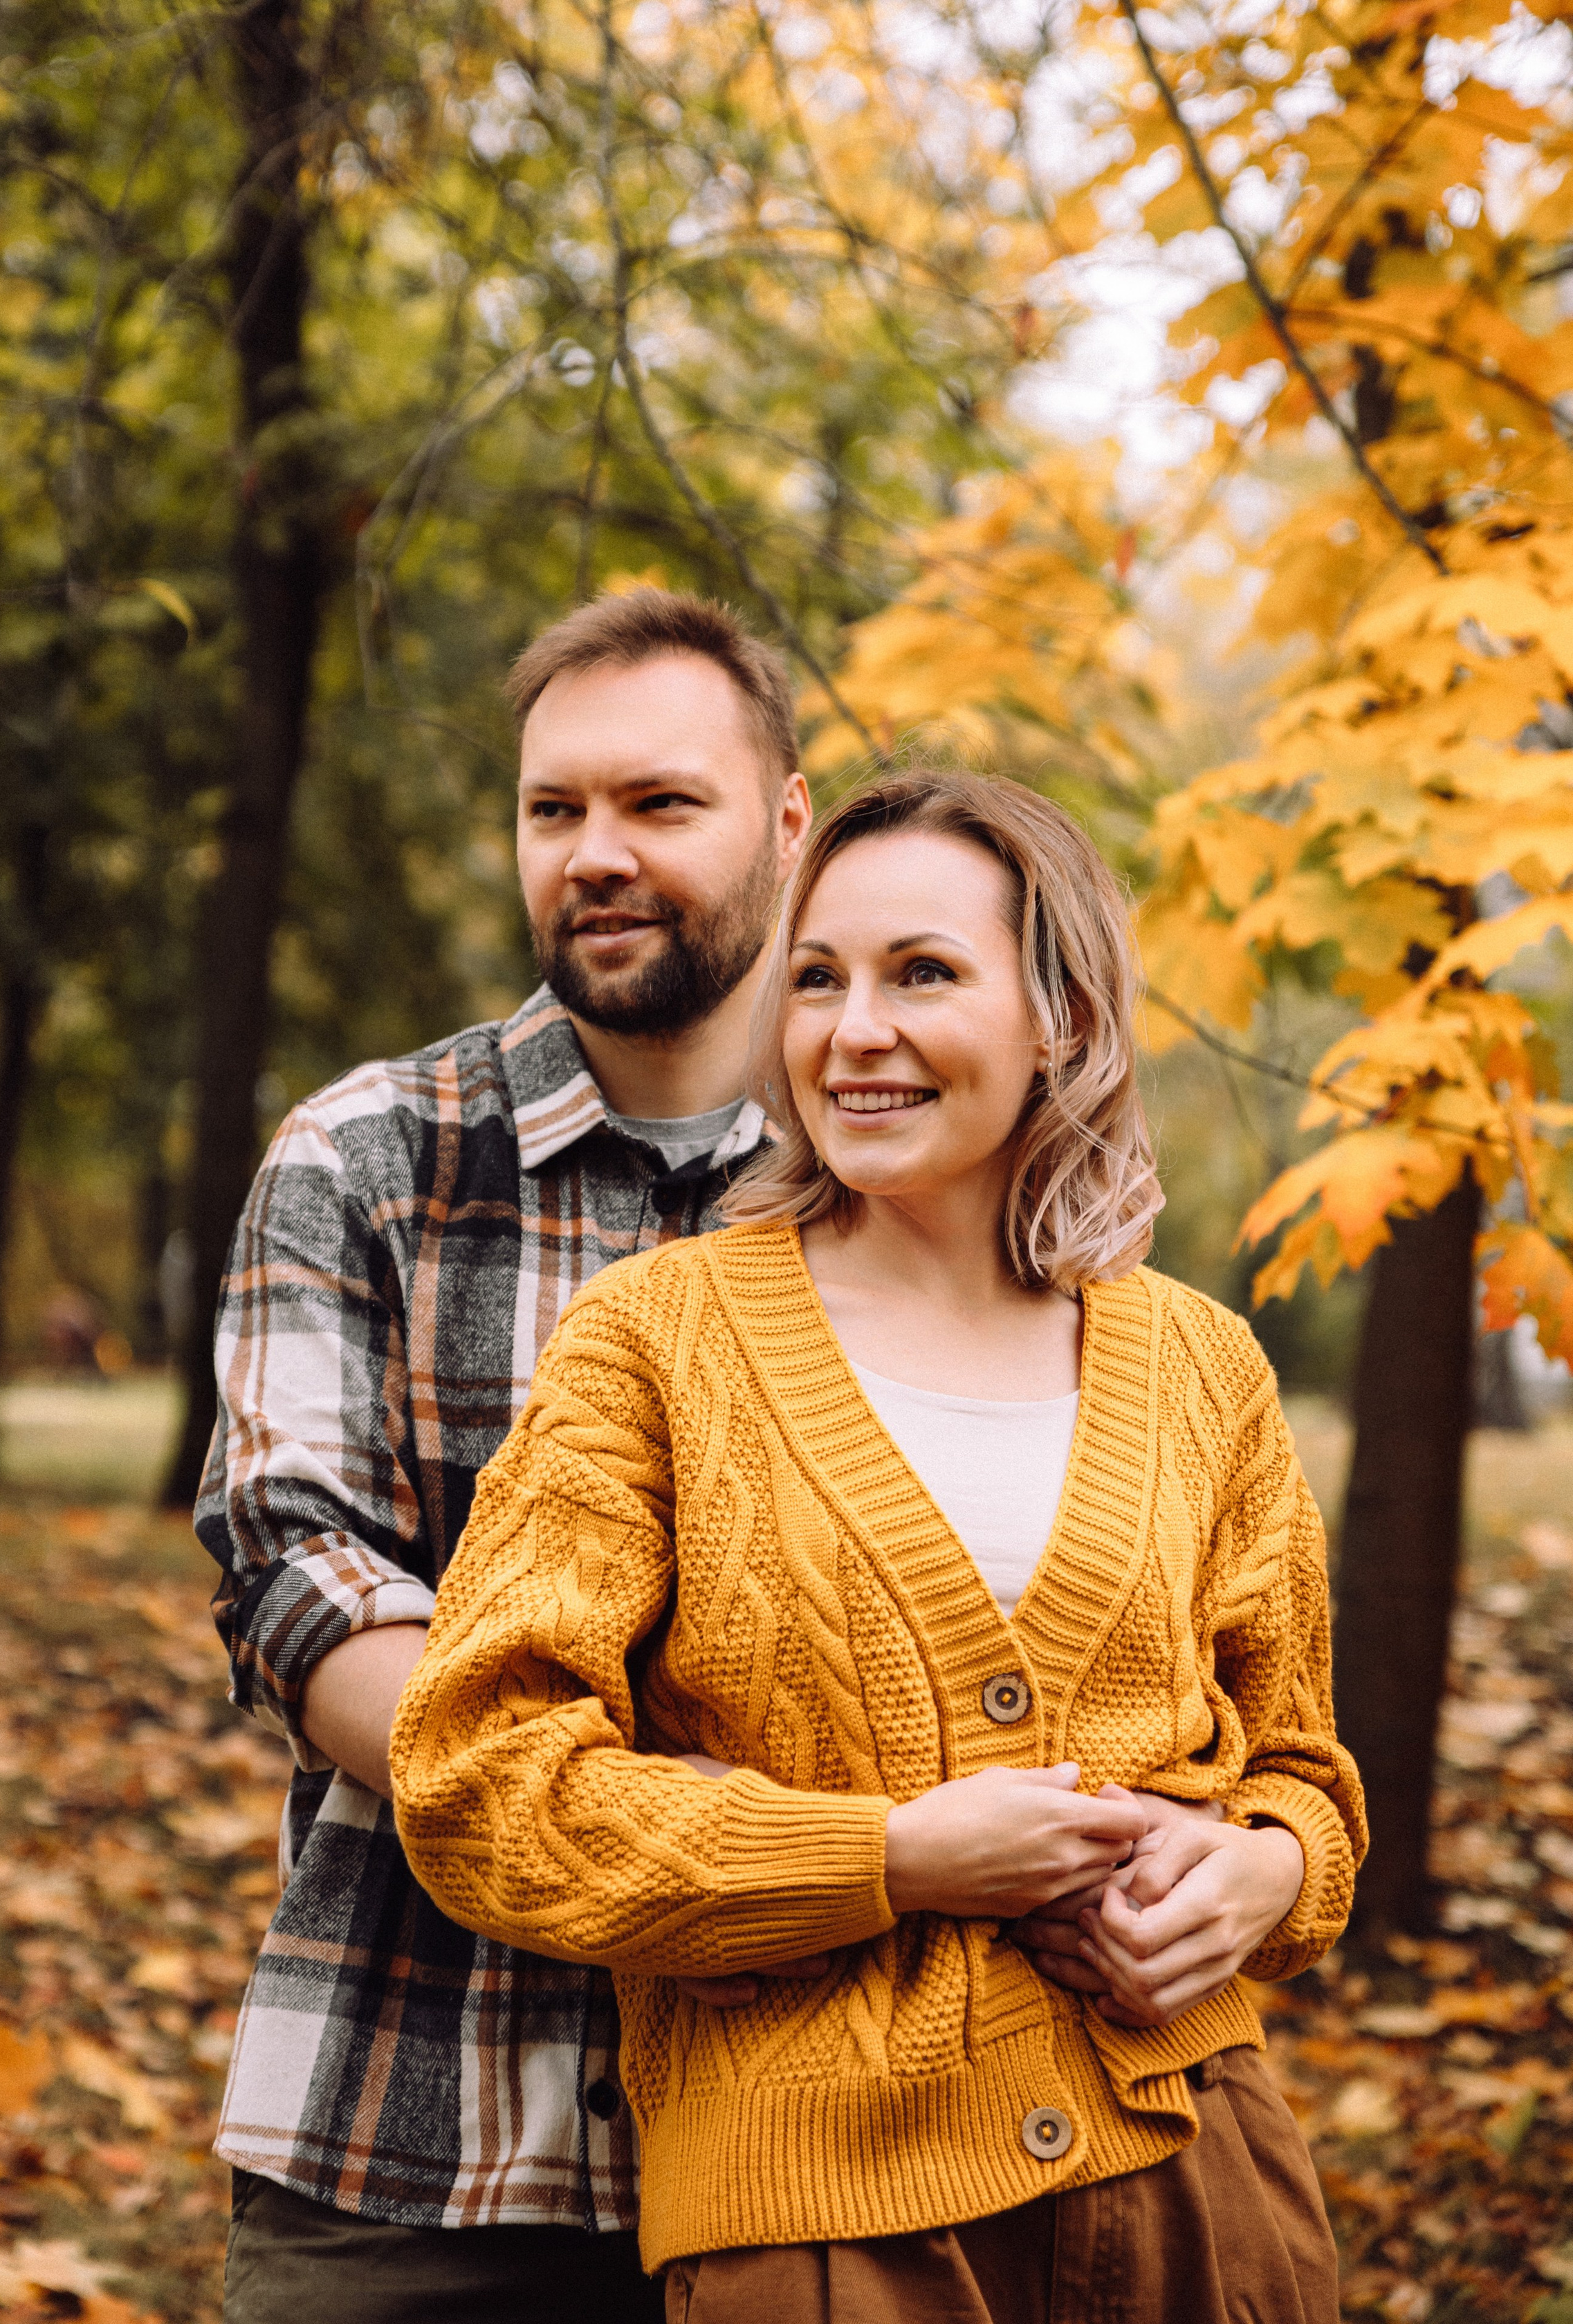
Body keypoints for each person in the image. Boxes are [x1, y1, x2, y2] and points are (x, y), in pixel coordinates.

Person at [390, 768, 1367, 2323]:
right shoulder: (655, 1344)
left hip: (1197, 2193)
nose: (854, 1031)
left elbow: (1298, 1766)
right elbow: (478, 1781)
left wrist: (1266, 1873)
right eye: (817, 979)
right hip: (824, 2227)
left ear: (1054, 1012)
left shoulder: (1201, 1365)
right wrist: (886, 1860)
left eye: (923, 972)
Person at [196, 589, 813, 2323]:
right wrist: (699, 1831)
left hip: (815, 2128)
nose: (594, 854)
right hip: (413, 2133)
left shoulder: (890, 1190)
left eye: (658, 804)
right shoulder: (366, 1160)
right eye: (554, 811)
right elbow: (302, 1589)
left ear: (785, 823)